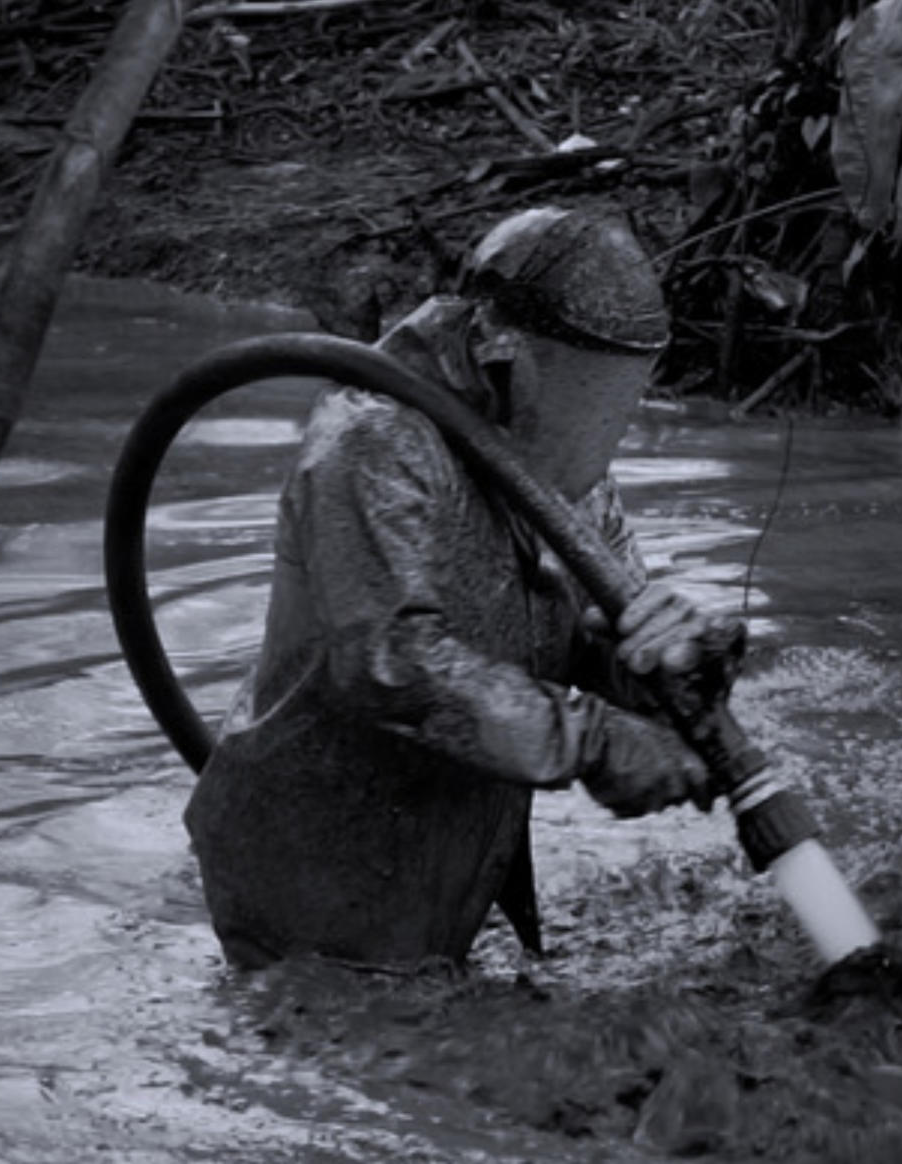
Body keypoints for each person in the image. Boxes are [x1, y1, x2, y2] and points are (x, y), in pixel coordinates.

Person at [184, 207, 746, 969]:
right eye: (595, 401)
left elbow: (594, 641)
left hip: (439, 863)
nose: (608, 437)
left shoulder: (566, 470)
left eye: (624, 404)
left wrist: (666, 663)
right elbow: (394, 666)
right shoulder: (375, 440)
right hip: (312, 883)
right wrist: (596, 740)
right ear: (506, 361)